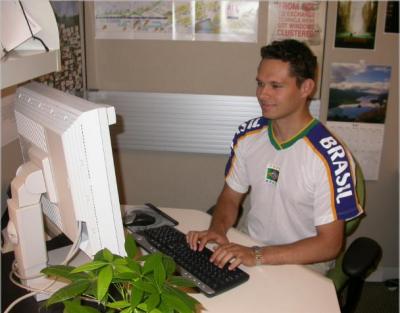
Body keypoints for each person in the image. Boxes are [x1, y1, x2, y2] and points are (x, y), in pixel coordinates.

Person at [186, 39, 364, 274]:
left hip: (305, 260)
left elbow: (329, 245)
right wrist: (217, 231)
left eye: (275, 86)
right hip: (251, 243)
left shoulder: (330, 156)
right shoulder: (247, 135)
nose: (262, 94)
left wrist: (258, 256)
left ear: (305, 88)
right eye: (260, 84)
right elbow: (230, 198)